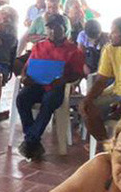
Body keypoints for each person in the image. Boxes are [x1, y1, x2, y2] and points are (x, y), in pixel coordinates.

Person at [17, 14, 86, 162]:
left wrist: (64, 80)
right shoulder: (39, 46)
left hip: (57, 87)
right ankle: (32, 139)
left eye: (57, 27)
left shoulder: (73, 50)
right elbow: (27, 67)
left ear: (64, 29)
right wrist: (24, 77)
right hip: (37, 85)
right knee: (22, 98)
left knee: (49, 101)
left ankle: (30, 141)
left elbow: (78, 74)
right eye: (50, 28)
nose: (53, 31)